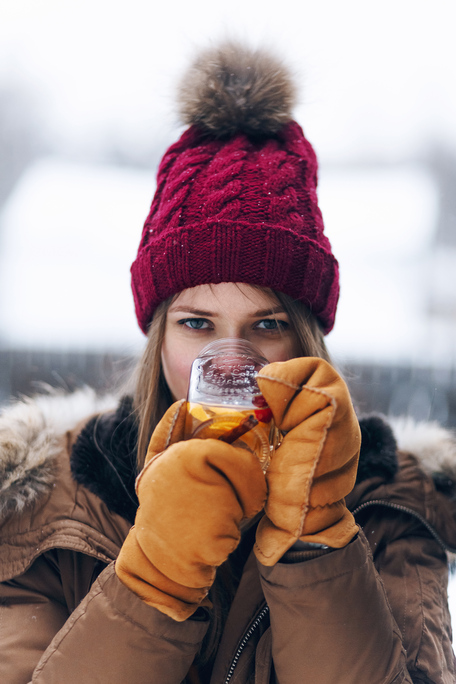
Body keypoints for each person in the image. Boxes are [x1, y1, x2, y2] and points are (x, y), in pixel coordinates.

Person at [0, 42, 455, 684]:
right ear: (159, 337)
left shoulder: (390, 506)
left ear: (306, 342)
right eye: (196, 324)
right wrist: (153, 578)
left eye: (267, 325)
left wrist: (318, 540)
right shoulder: (50, 505)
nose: (231, 361)